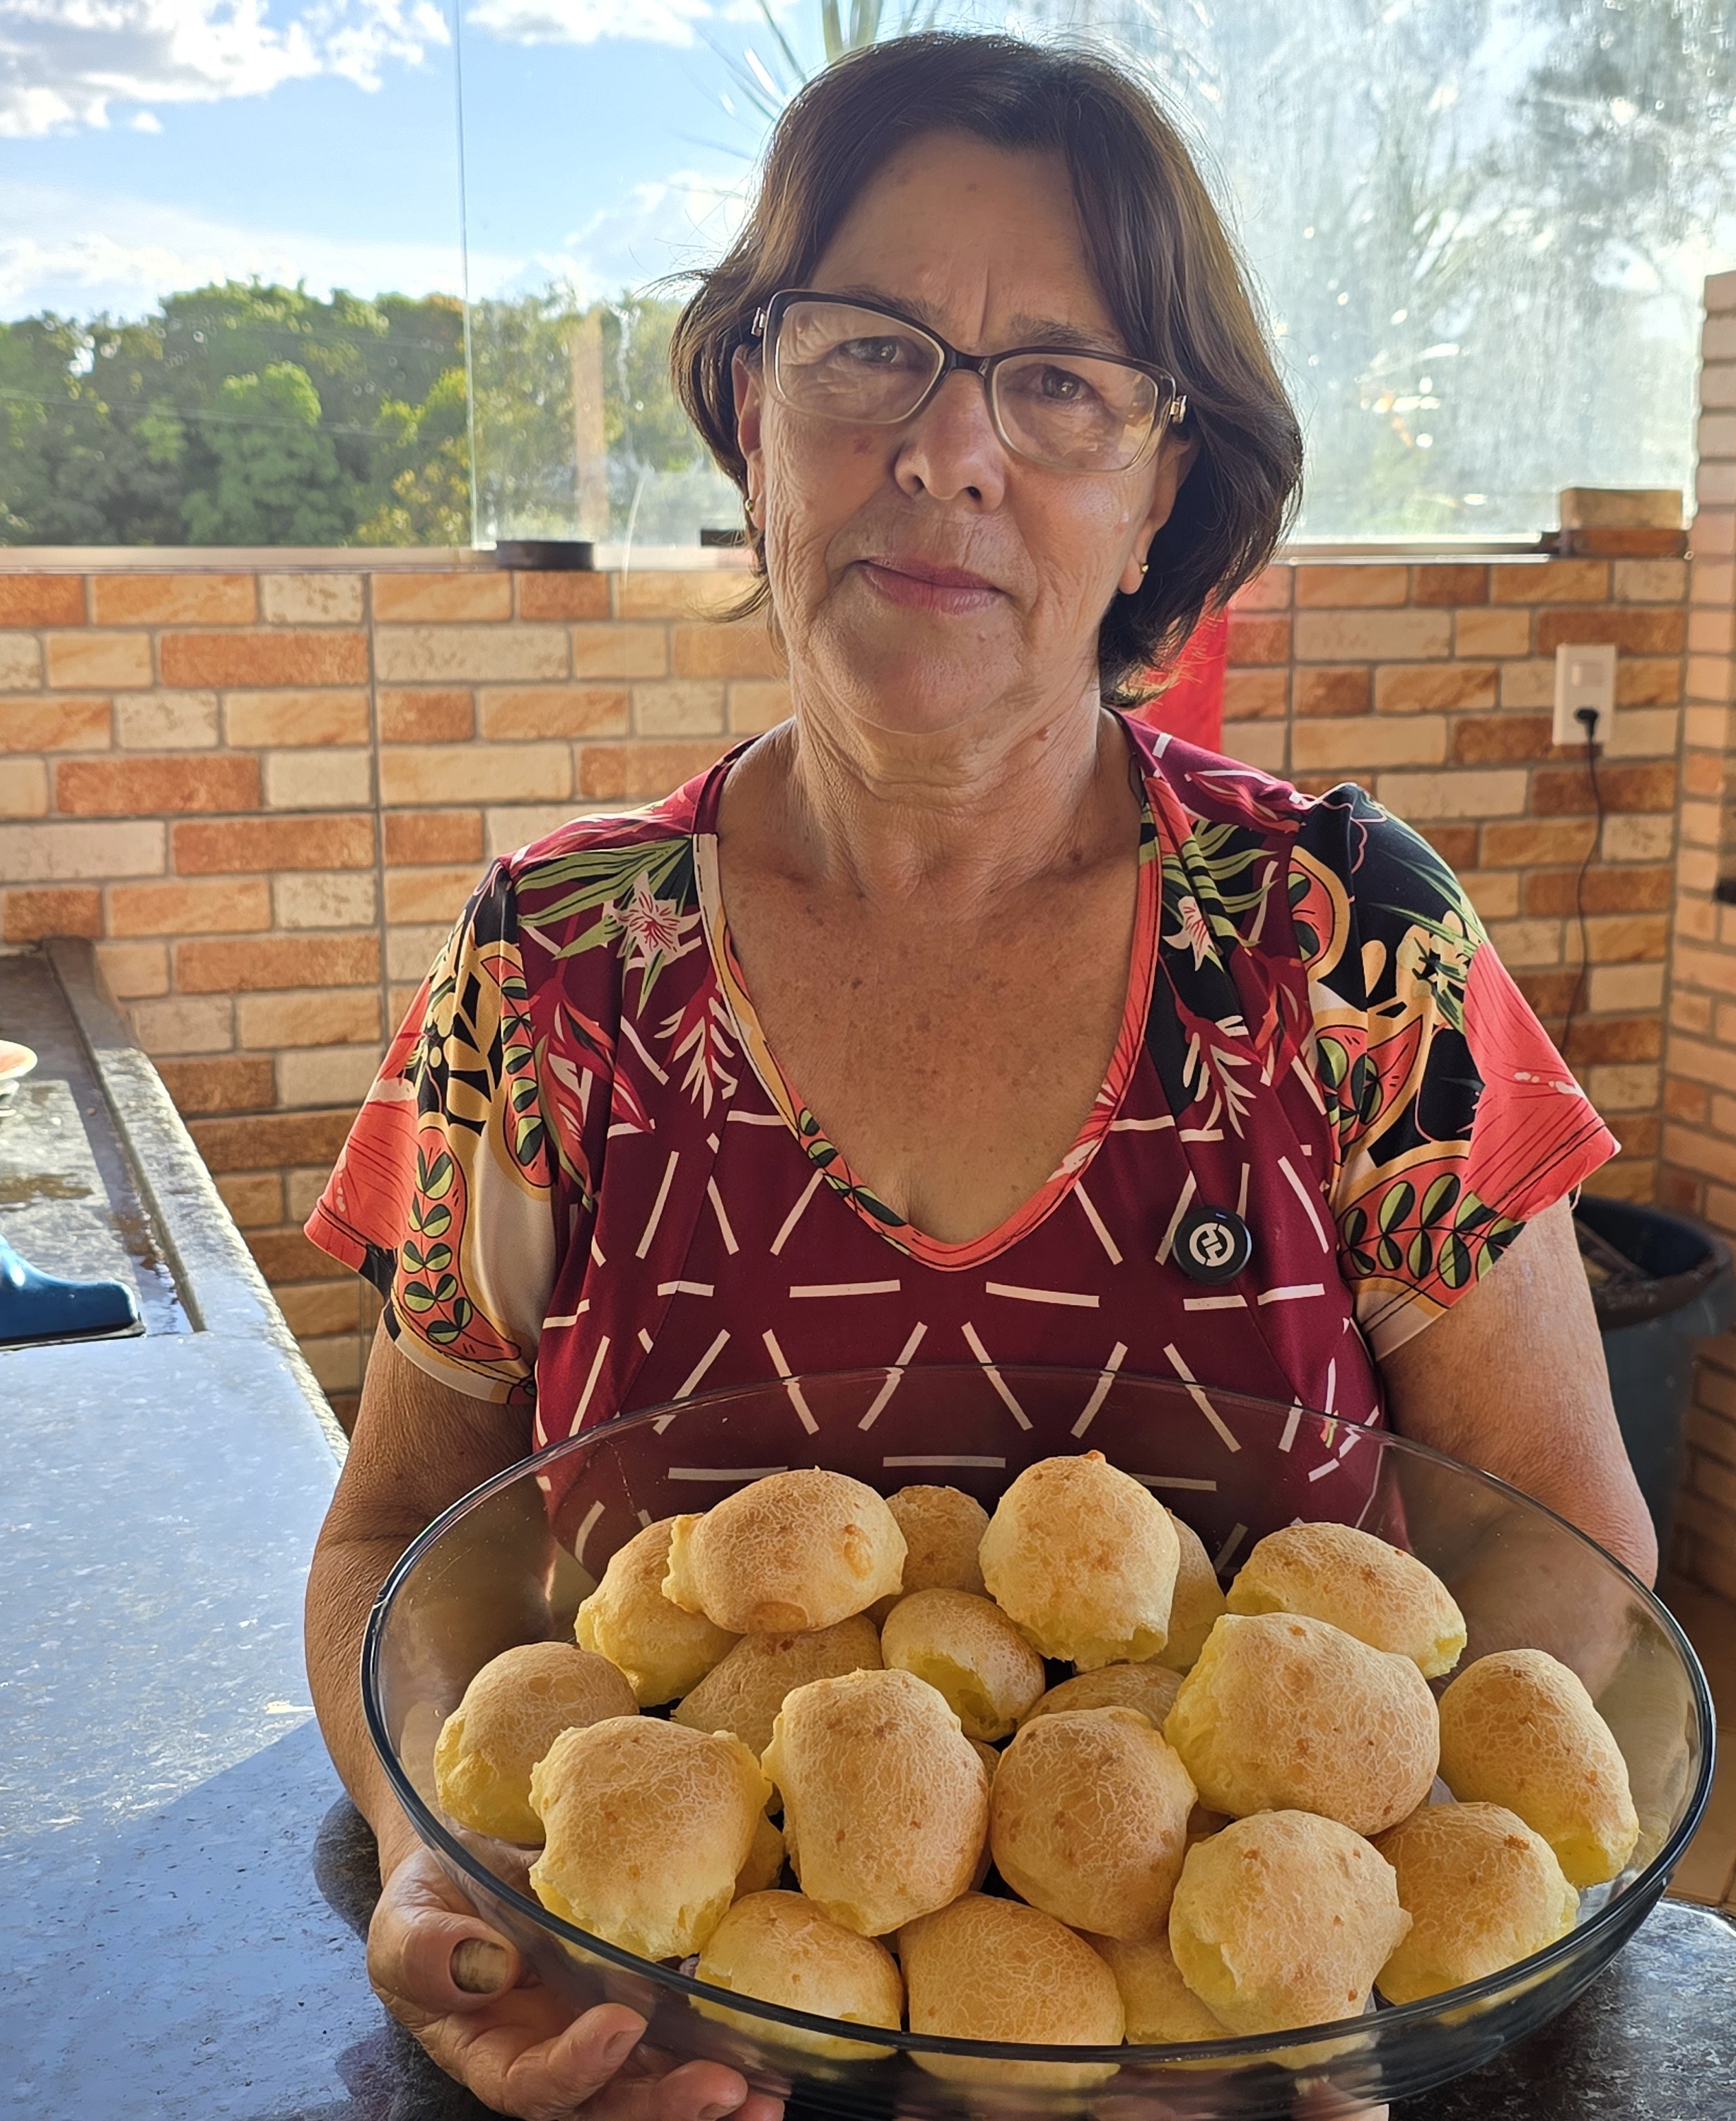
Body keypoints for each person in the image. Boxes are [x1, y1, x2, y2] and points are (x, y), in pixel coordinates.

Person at [303, 32, 1654, 2121]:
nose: (950, 453)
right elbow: (400, 1528)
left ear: (1158, 498)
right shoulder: (556, 968)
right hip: (694, 2055)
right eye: (868, 351)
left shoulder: (1342, 940)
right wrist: (448, 1869)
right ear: (751, 412)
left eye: (1059, 383)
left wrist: (1303, 1959)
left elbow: (1565, 1534)